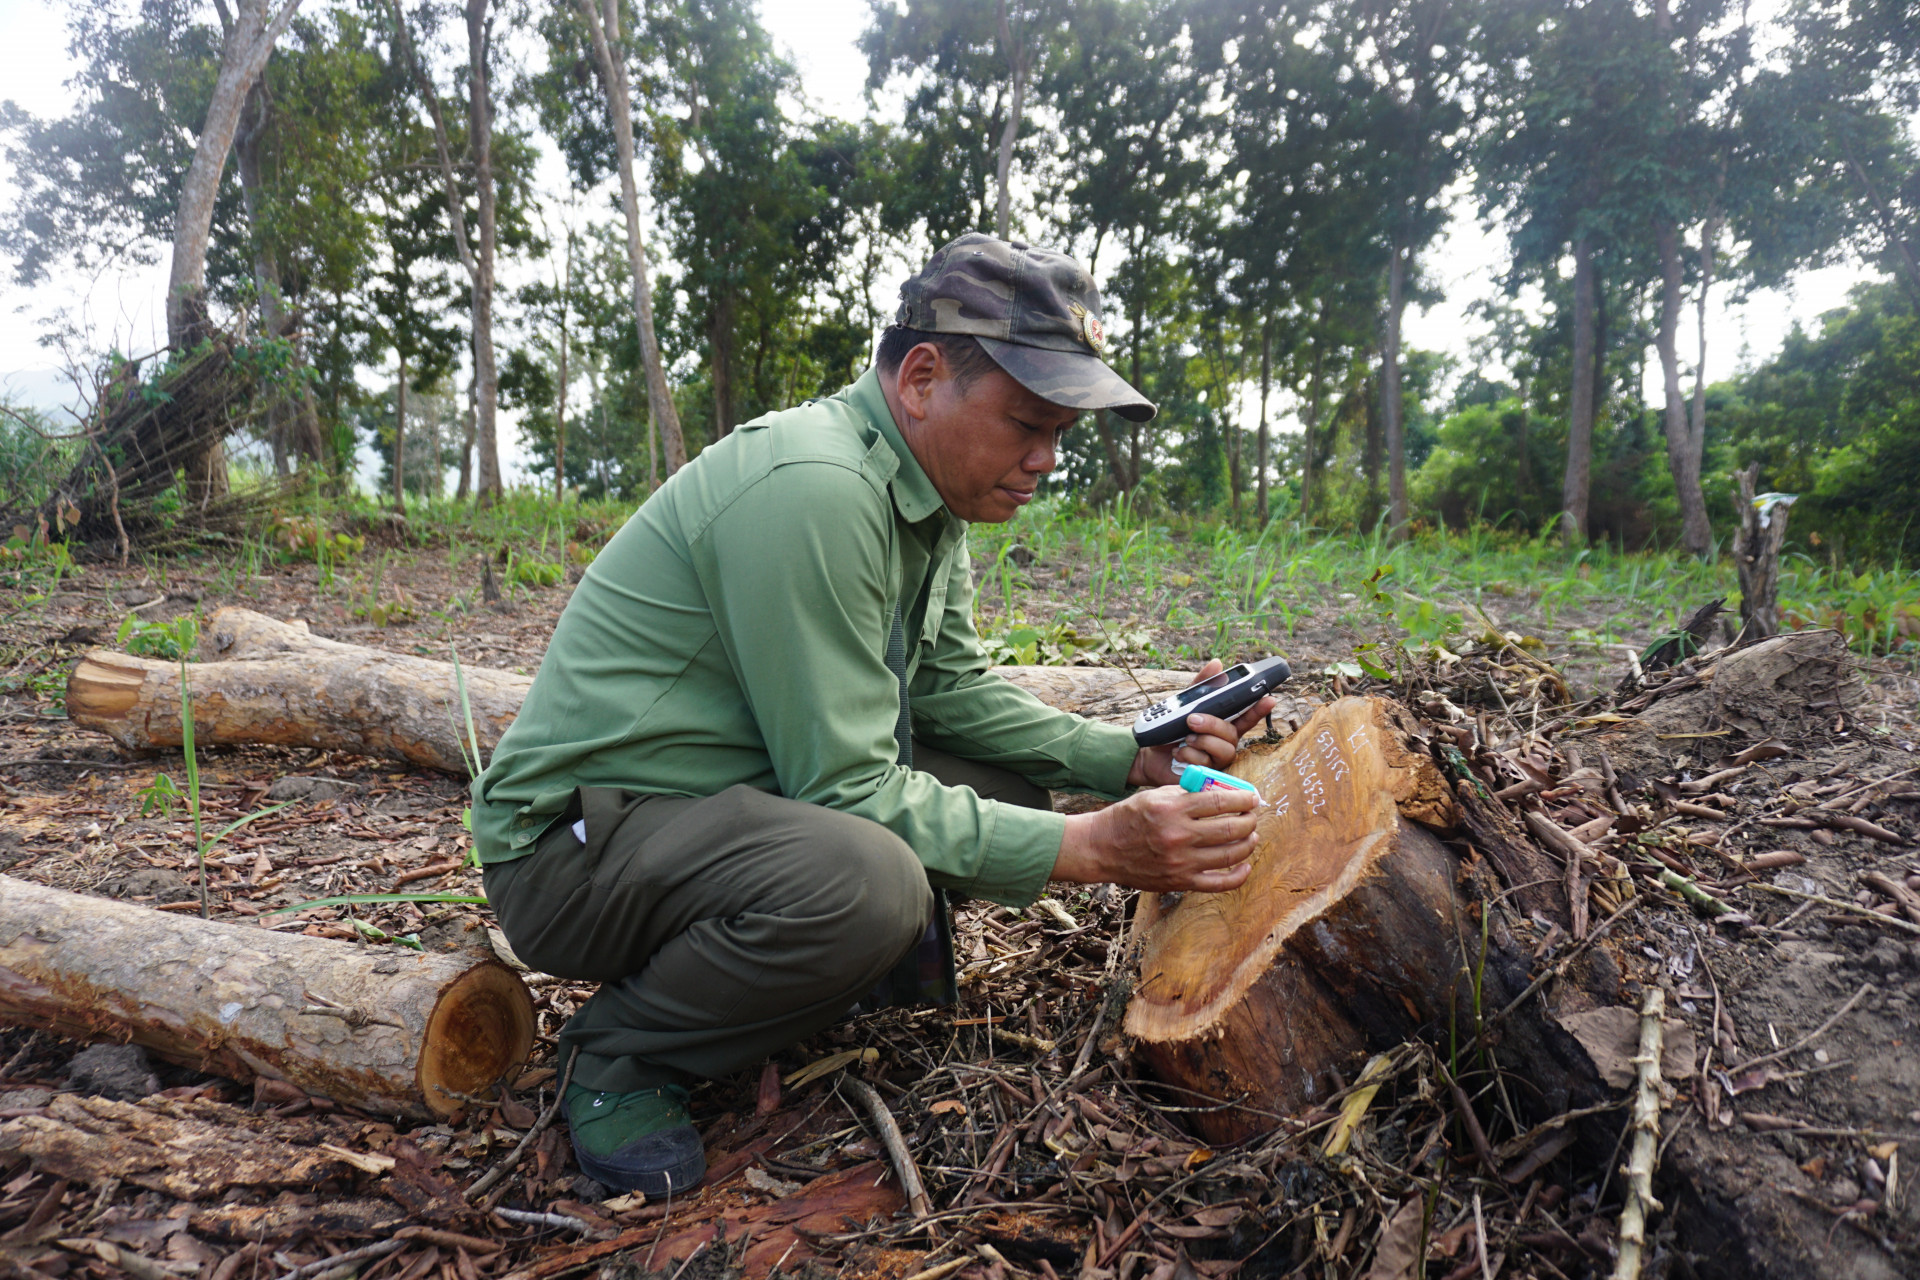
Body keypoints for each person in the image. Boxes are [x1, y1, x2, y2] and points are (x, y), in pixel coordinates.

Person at [471, 232, 1274, 1196]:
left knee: (1000, 788)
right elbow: (846, 786)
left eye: (1060, 432)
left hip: (706, 804)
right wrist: (1095, 849)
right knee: (871, 884)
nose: (1047, 458)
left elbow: (949, 691)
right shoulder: (817, 488)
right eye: (1027, 422)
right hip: (575, 850)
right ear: (923, 377)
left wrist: (1121, 761)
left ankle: (811, 971)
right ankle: (621, 1057)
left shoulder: (925, 494)